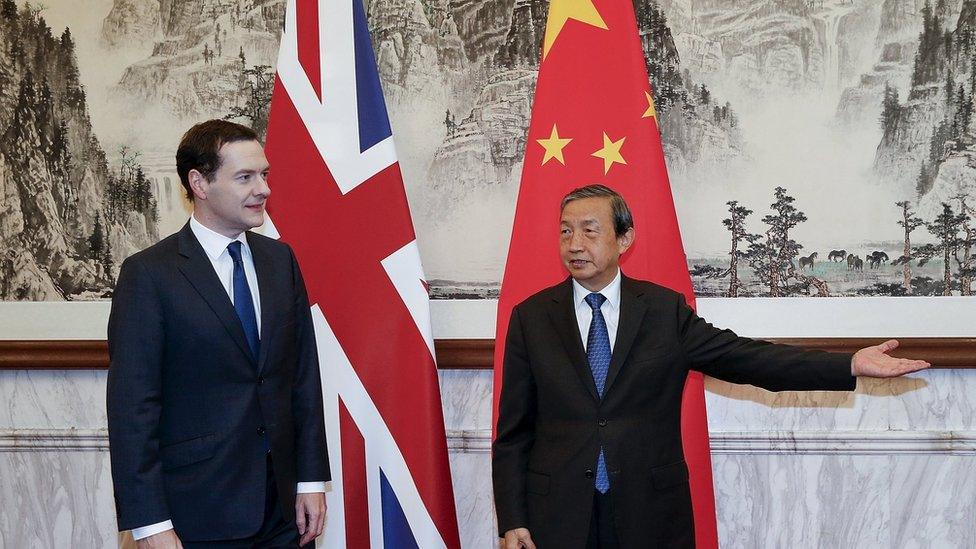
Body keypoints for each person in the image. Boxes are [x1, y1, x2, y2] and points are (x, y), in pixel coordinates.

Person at [492, 184, 930, 548]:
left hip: (649, 515)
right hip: (557, 518)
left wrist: (848, 364)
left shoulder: (663, 312)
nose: (574, 244)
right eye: (565, 231)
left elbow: (749, 359)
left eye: (589, 231)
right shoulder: (531, 318)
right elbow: (514, 433)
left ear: (624, 239)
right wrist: (513, 519)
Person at [107, 120, 328, 548]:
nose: (263, 189)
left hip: (283, 512)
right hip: (196, 514)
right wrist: (150, 525)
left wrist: (311, 479)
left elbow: (302, 376)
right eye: (245, 177)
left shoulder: (279, 261)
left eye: (264, 175)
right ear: (199, 183)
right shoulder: (149, 275)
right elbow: (132, 411)